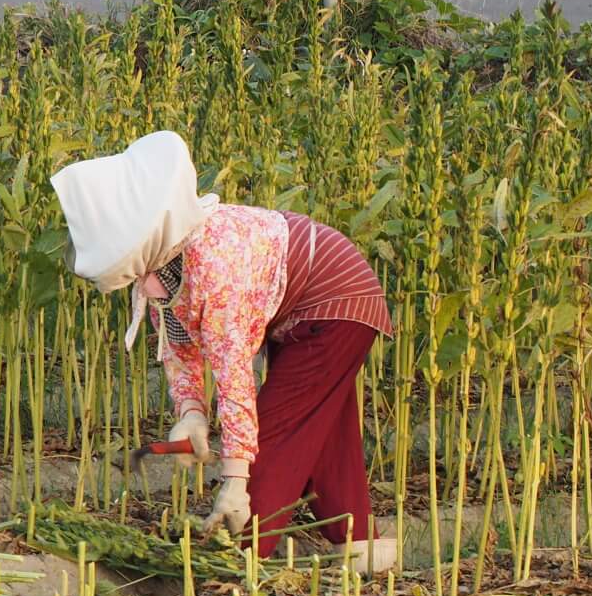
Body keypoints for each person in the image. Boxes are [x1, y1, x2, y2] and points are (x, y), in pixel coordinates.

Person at [51, 130, 395, 570]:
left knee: (274, 437)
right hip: (299, 303)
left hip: (335, 300)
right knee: (323, 429)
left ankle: (239, 559)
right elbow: (178, 344)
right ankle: (358, 540)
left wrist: (235, 479)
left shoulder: (214, 263)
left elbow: (235, 380)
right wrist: (191, 410)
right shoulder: (164, 266)